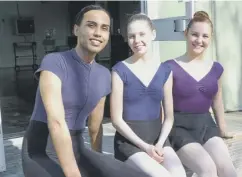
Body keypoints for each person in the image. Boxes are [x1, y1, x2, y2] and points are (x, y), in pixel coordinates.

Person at [21, 5, 152, 177]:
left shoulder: (104, 75)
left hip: (77, 149)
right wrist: (74, 173)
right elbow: (56, 122)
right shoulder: (54, 62)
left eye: (104, 28)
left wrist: (98, 163)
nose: (98, 32)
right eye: (91, 25)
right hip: (40, 150)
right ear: (76, 29)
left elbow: (94, 127)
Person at [110, 13, 186, 177]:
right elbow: (116, 120)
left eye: (141, 34)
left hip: (158, 139)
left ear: (153, 34)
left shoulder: (165, 71)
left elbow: (169, 117)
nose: (136, 40)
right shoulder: (119, 71)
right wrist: (145, 147)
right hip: (130, 143)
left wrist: (159, 144)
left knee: (179, 174)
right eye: (131, 36)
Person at [165, 11, 237, 177]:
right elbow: (161, 103)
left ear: (210, 39)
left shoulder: (216, 68)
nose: (199, 40)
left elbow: (217, 101)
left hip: (206, 125)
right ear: (186, 34)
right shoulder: (169, 67)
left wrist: (223, 129)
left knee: (228, 170)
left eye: (205, 36)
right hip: (179, 127)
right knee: (207, 169)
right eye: (195, 34)